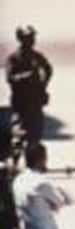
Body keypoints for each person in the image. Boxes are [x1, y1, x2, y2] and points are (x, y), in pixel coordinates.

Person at [5, 25, 52, 155]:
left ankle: (32, 160)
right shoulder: (14, 58)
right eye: (28, 38)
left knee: (35, 133)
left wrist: (42, 86)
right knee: (18, 135)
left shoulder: (37, 56)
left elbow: (48, 70)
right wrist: (27, 76)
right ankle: (14, 162)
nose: (31, 40)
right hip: (21, 103)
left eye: (32, 38)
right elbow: (10, 78)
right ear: (21, 39)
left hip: (35, 102)